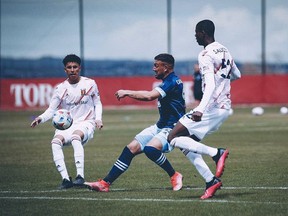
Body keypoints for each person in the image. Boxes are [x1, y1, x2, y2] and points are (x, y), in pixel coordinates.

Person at [86, 53, 186, 192]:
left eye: (156, 65)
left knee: (150, 149)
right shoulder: (168, 81)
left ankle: (174, 175)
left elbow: (149, 96)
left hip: (172, 129)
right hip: (160, 126)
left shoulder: (172, 82)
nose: (153, 68)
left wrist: (127, 92)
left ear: (166, 67)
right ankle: (105, 183)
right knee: (131, 148)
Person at [167, 19, 241, 199]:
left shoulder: (205, 54)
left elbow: (209, 85)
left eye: (196, 33)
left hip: (211, 108)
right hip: (223, 108)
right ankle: (211, 181)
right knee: (187, 145)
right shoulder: (225, 50)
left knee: (173, 137)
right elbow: (237, 75)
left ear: (203, 32)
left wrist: (200, 108)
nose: (195, 36)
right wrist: (222, 83)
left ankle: (217, 153)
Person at [30, 54, 103, 189]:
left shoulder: (90, 83)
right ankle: (65, 179)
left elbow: (98, 103)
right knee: (55, 143)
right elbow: (51, 110)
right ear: (65, 70)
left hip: (86, 123)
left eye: (75, 67)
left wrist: (98, 119)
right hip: (67, 125)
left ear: (79, 68)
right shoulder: (60, 88)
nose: (72, 70)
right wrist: (40, 118)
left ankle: (80, 177)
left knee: (76, 138)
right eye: (69, 67)